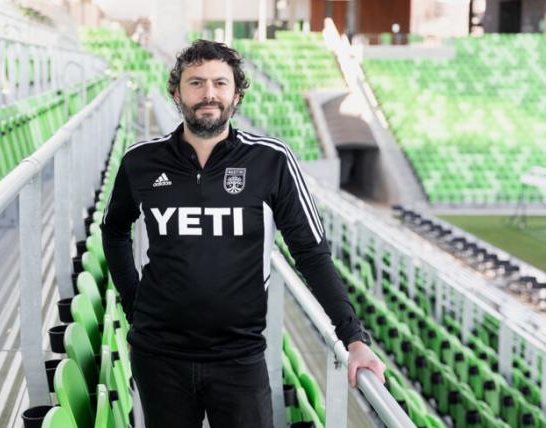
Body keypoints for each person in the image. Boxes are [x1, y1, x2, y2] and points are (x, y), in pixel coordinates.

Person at [100, 39, 385, 428]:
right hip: (159, 355)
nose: (209, 94)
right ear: (176, 92)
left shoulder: (271, 161)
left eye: (220, 83)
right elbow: (113, 230)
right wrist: (135, 306)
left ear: (236, 94)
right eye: (196, 83)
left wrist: (354, 339)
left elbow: (311, 253)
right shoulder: (141, 161)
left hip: (239, 358)